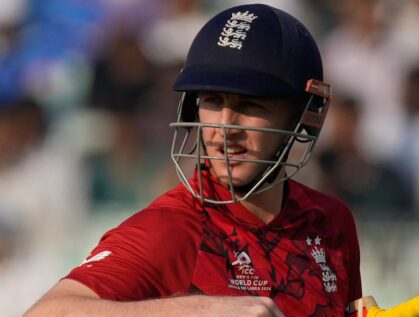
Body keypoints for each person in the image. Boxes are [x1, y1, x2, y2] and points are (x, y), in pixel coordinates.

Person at [25, 4, 362, 317]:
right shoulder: (172, 228)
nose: (224, 127)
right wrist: (197, 310)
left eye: (251, 106)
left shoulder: (331, 222)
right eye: (212, 100)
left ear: (302, 117)